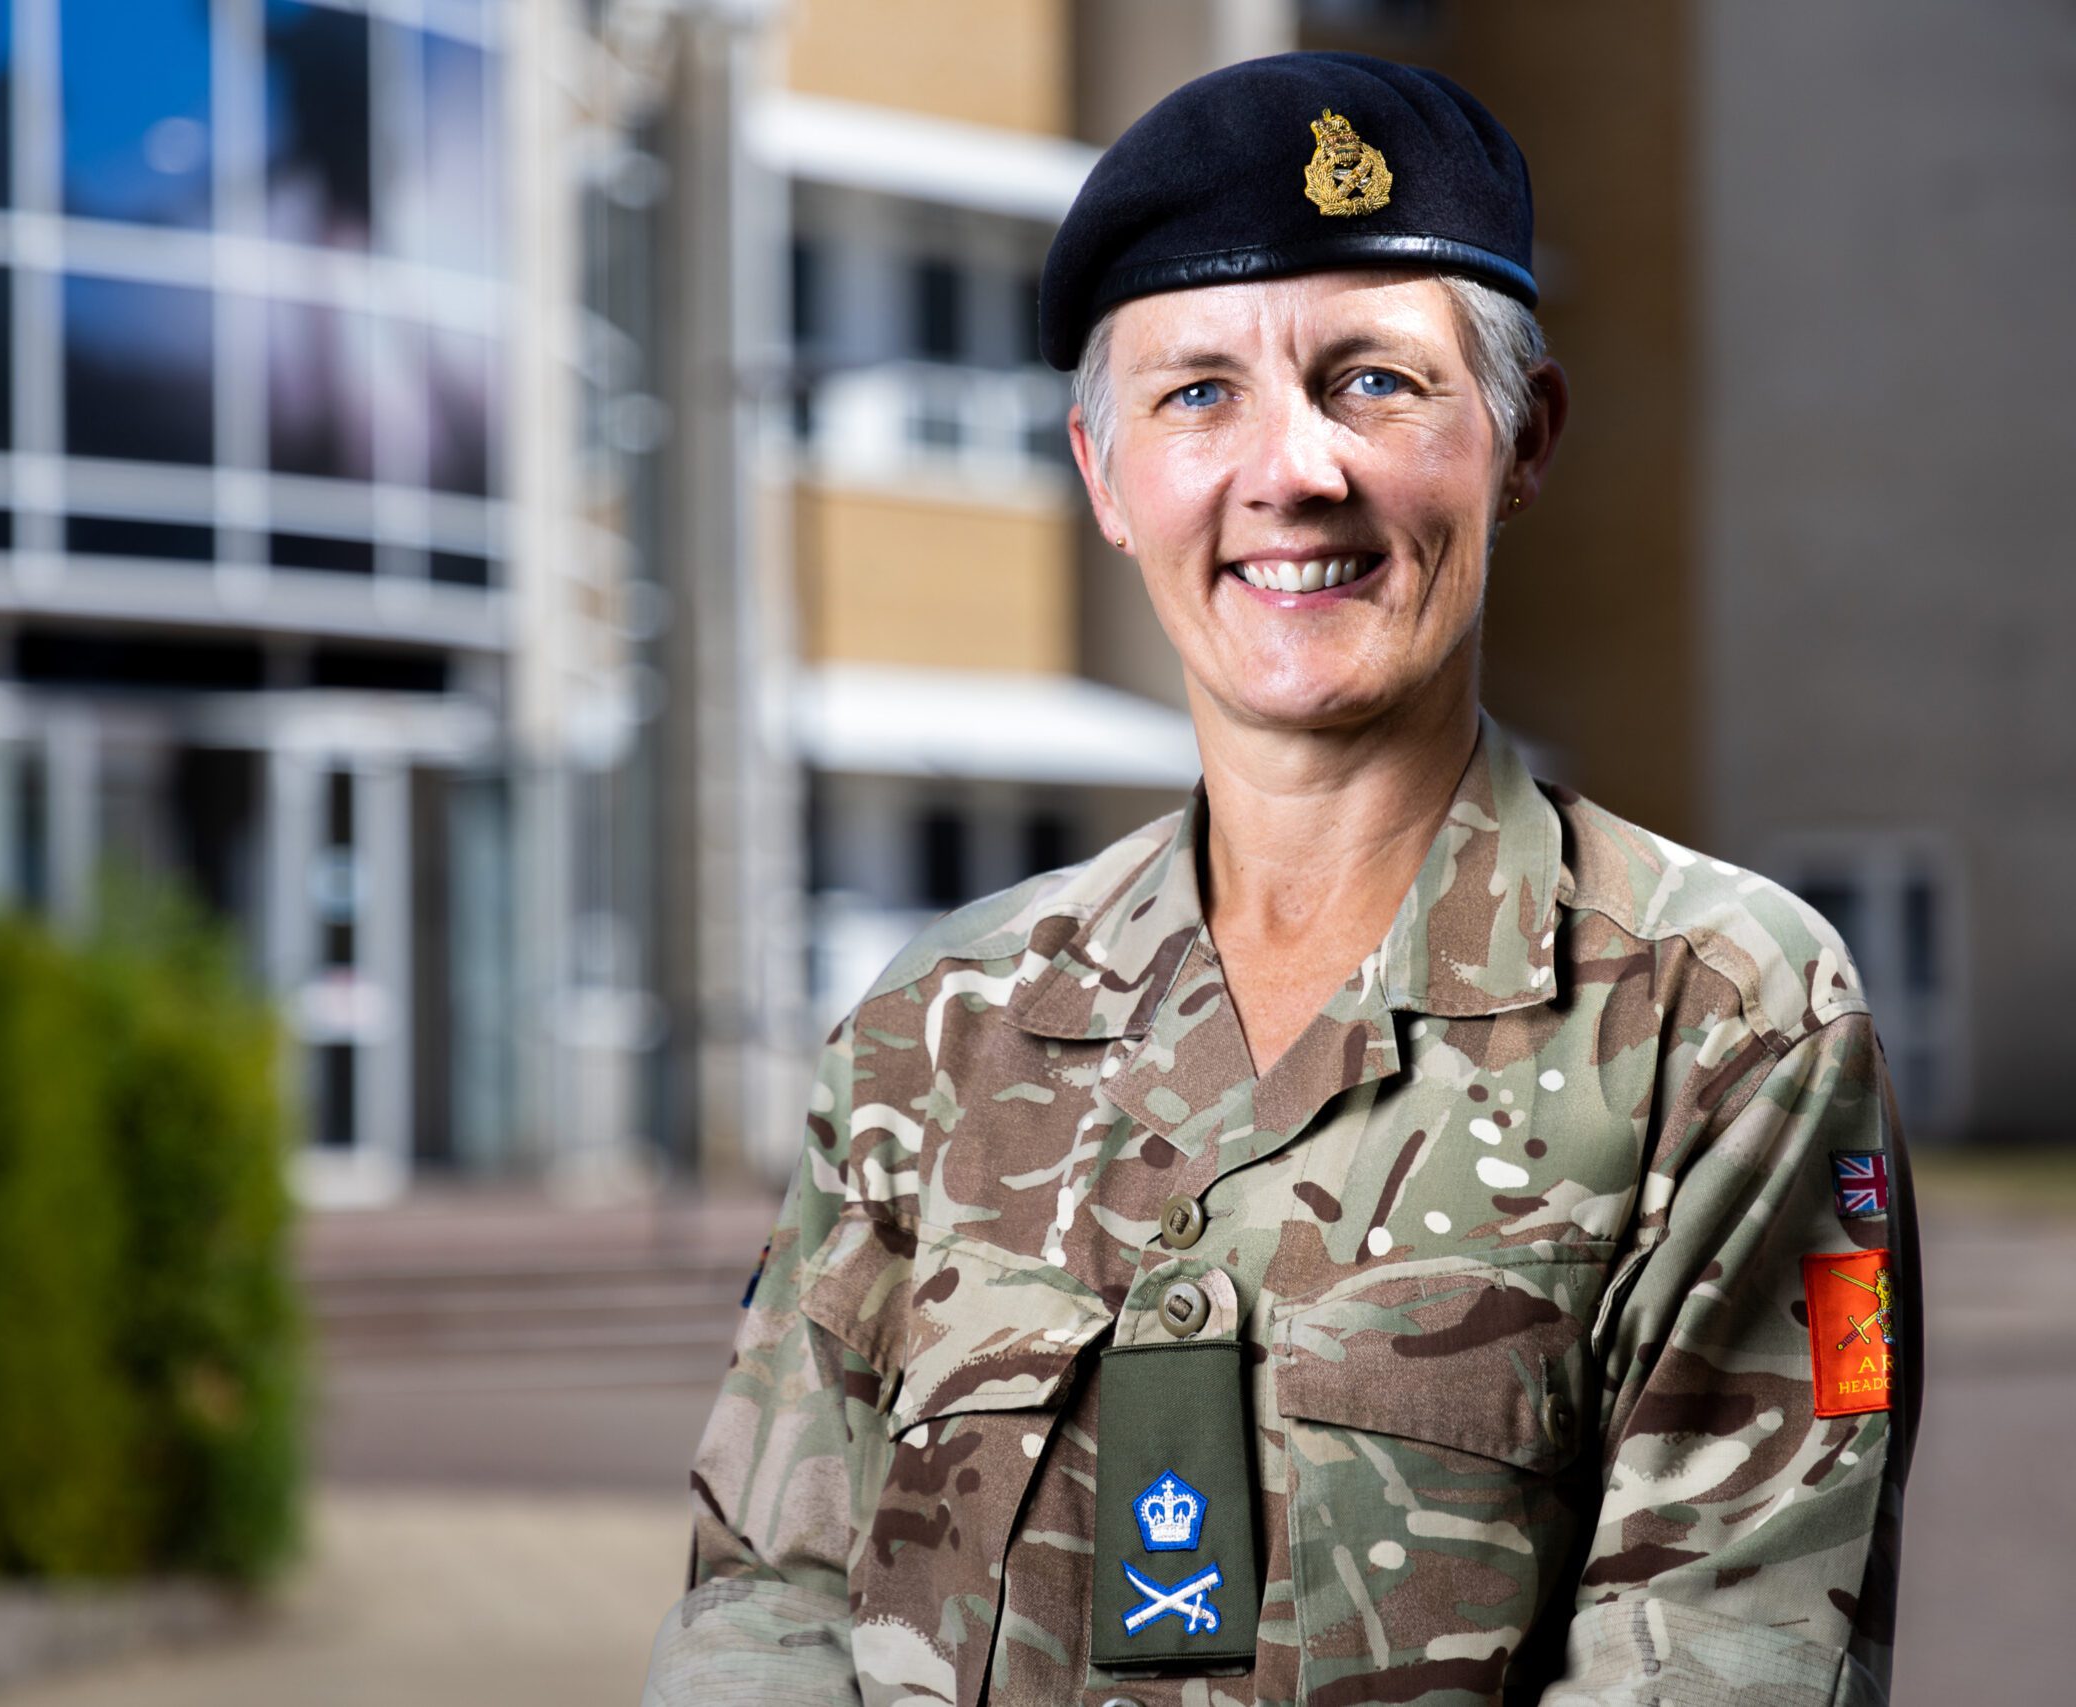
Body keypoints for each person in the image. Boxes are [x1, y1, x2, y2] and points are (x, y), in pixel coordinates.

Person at [644, 51, 1919, 1707]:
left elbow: (1728, 1659)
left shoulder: (1726, 1022)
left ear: (1521, 438)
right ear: (1105, 476)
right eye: (1199, 394)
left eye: (1374, 381)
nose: (1293, 469)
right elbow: (767, 1597)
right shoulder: (936, 1030)